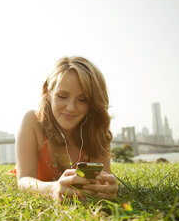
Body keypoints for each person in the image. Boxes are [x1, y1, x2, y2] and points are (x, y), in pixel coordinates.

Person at [16, 56, 118, 202]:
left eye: (82, 99)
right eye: (62, 96)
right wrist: (52, 189)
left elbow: (103, 180)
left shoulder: (96, 127)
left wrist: (106, 189)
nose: (71, 108)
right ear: (47, 92)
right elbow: (24, 180)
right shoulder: (32, 121)